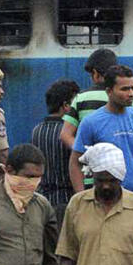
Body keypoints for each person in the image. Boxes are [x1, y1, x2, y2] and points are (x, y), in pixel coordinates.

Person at [68, 65, 133, 232]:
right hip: (107, 201)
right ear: (109, 91)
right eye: (124, 89)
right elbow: (75, 163)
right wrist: (81, 200)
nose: (131, 93)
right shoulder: (91, 122)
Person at [59, 49, 133, 150]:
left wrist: (86, 153)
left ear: (95, 73)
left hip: (91, 164)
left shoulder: (80, 99)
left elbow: (65, 135)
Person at [31, 79, 80, 228]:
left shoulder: (37, 130)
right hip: (66, 201)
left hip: (41, 200)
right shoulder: (70, 133)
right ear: (66, 106)